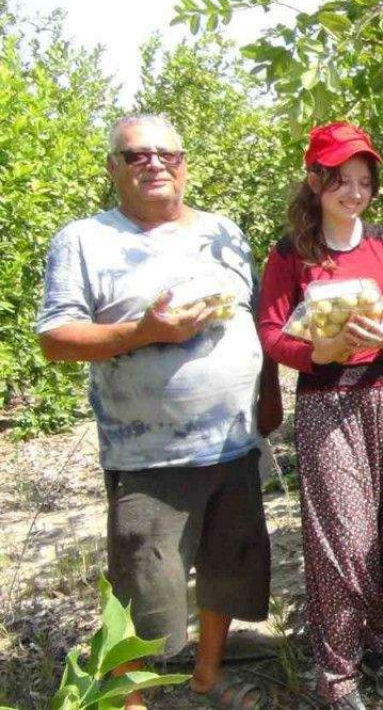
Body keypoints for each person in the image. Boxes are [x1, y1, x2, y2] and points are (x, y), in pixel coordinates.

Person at [37, 114, 281, 710]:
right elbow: (55, 338)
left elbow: (249, 318)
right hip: (149, 454)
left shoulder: (223, 232)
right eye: (136, 155)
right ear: (114, 169)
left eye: (166, 154)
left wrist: (268, 391)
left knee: (229, 569)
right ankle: (130, 700)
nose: (154, 164)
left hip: (233, 441)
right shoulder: (85, 240)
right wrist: (144, 330)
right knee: (146, 585)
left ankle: (206, 675)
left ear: (185, 164)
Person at [257, 123, 383, 709]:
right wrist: (316, 353)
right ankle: (338, 670)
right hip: (327, 401)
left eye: (363, 182)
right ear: (315, 181)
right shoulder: (289, 253)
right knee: (345, 540)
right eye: (340, 181)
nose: (354, 193)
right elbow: (273, 332)